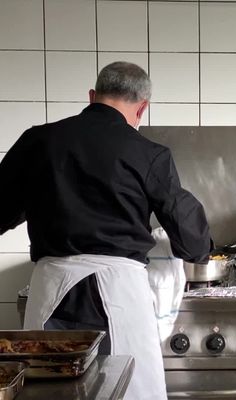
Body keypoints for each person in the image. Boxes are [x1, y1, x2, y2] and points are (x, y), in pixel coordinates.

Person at [0, 61, 212, 400]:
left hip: (52, 288)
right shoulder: (149, 153)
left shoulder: (38, 141)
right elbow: (191, 239)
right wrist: (202, 249)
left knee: (48, 392)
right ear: (142, 107)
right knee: (130, 389)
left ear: (92, 96)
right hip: (120, 291)